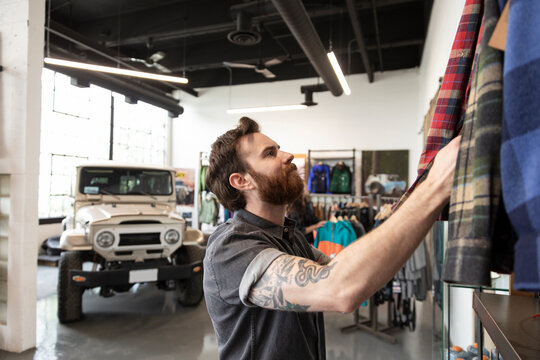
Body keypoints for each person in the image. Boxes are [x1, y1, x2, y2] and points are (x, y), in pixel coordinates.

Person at [203, 117, 460, 360]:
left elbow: (355, 273)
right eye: (270, 153)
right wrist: (434, 188)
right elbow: (339, 289)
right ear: (241, 180)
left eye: (279, 148)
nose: (288, 155)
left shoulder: (290, 238)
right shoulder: (231, 249)